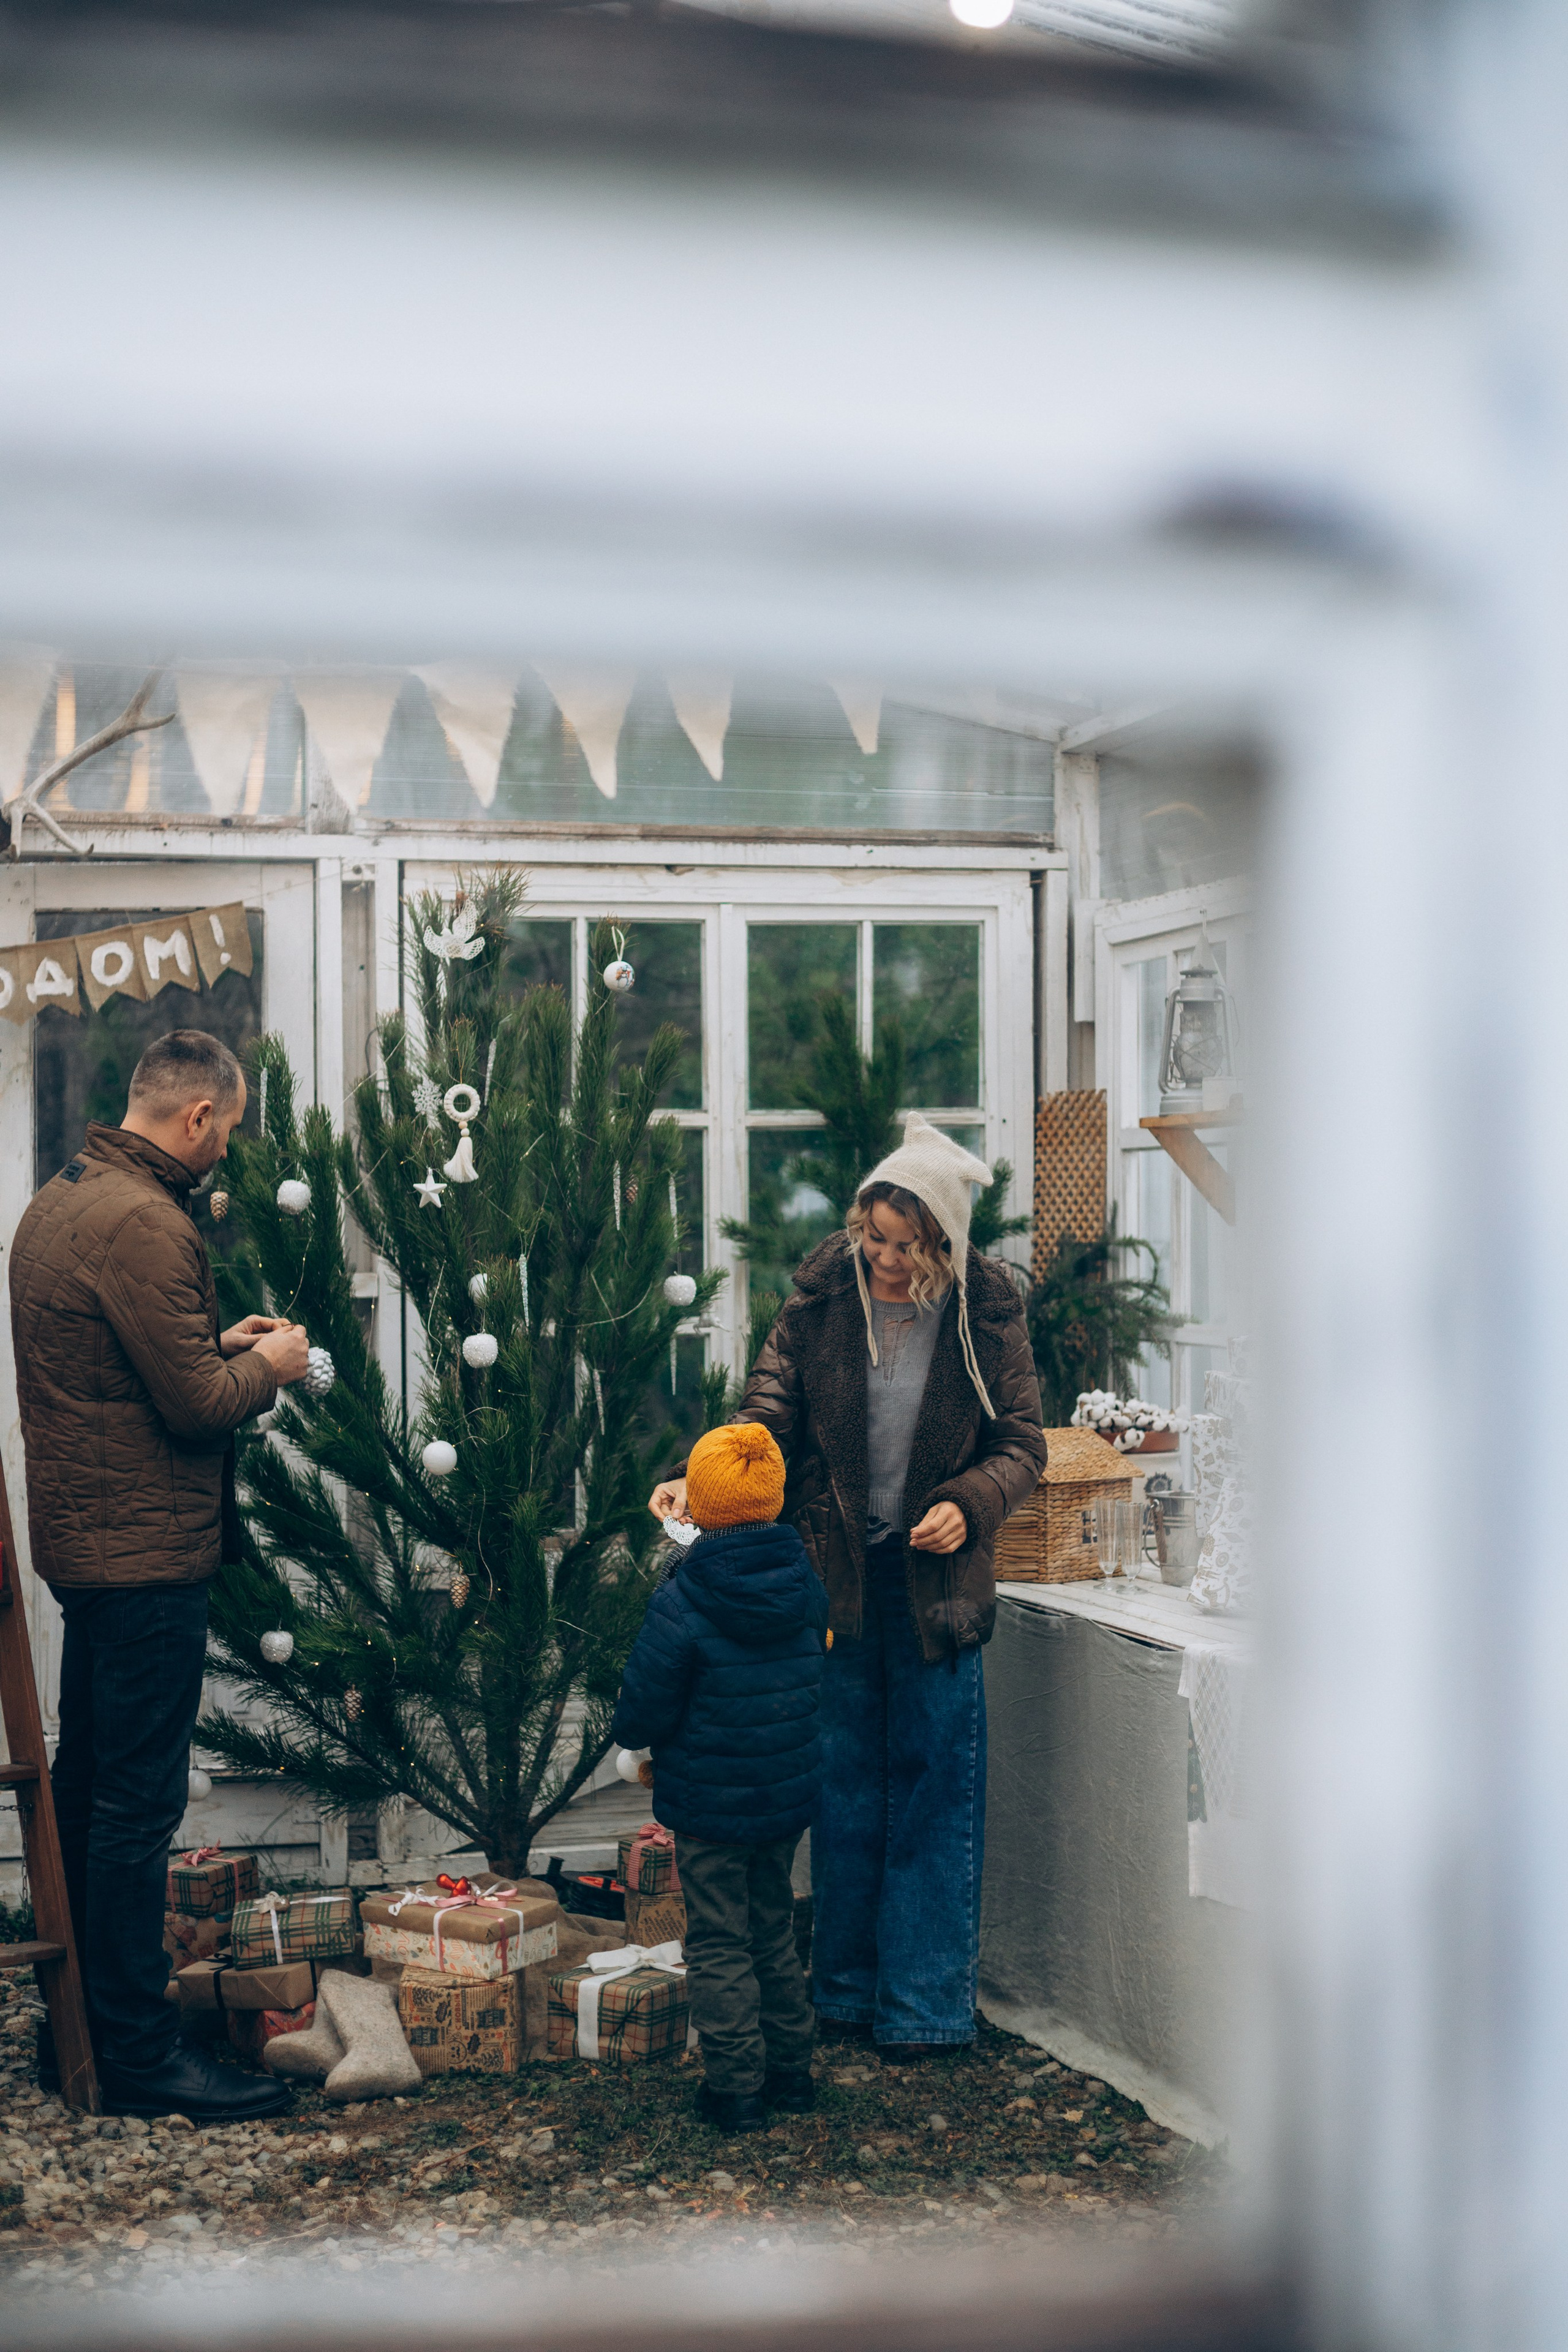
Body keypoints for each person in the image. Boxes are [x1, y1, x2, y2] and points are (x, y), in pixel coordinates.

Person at [650, 1114, 1046, 2057]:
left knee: (933, 1792)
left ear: (944, 1242)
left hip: (937, 1587)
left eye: (909, 1247)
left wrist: (968, 1504)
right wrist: (699, 1477)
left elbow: (1022, 1444)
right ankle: (842, 1997)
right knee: (843, 1788)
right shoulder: (822, 1297)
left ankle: (924, 2011)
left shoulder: (988, 1310)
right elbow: (766, 1421)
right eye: (876, 1238)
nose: (888, 1260)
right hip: (835, 1582)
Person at [9, 1028, 311, 2122]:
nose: (223, 1149)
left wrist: (211, 1342)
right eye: (225, 1131)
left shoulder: (67, 1197)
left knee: (89, 1797)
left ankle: (81, 2037)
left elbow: (127, 1367)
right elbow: (192, 1408)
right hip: (144, 1558)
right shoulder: (150, 1222)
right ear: (196, 1119)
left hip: (89, 1549)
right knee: (133, 1814)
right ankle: (141, 2059)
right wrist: (265, 1367)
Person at [614, 1420, 827, 2133]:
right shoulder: (805, 1583)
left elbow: (644, 1704)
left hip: (709, 1804)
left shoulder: (683, 1596)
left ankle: (736, 2087)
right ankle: (792, 2072)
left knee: (717, 1940)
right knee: (773, 1927)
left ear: (697, 1505)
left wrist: (636, 1742)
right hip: (784, 1793)